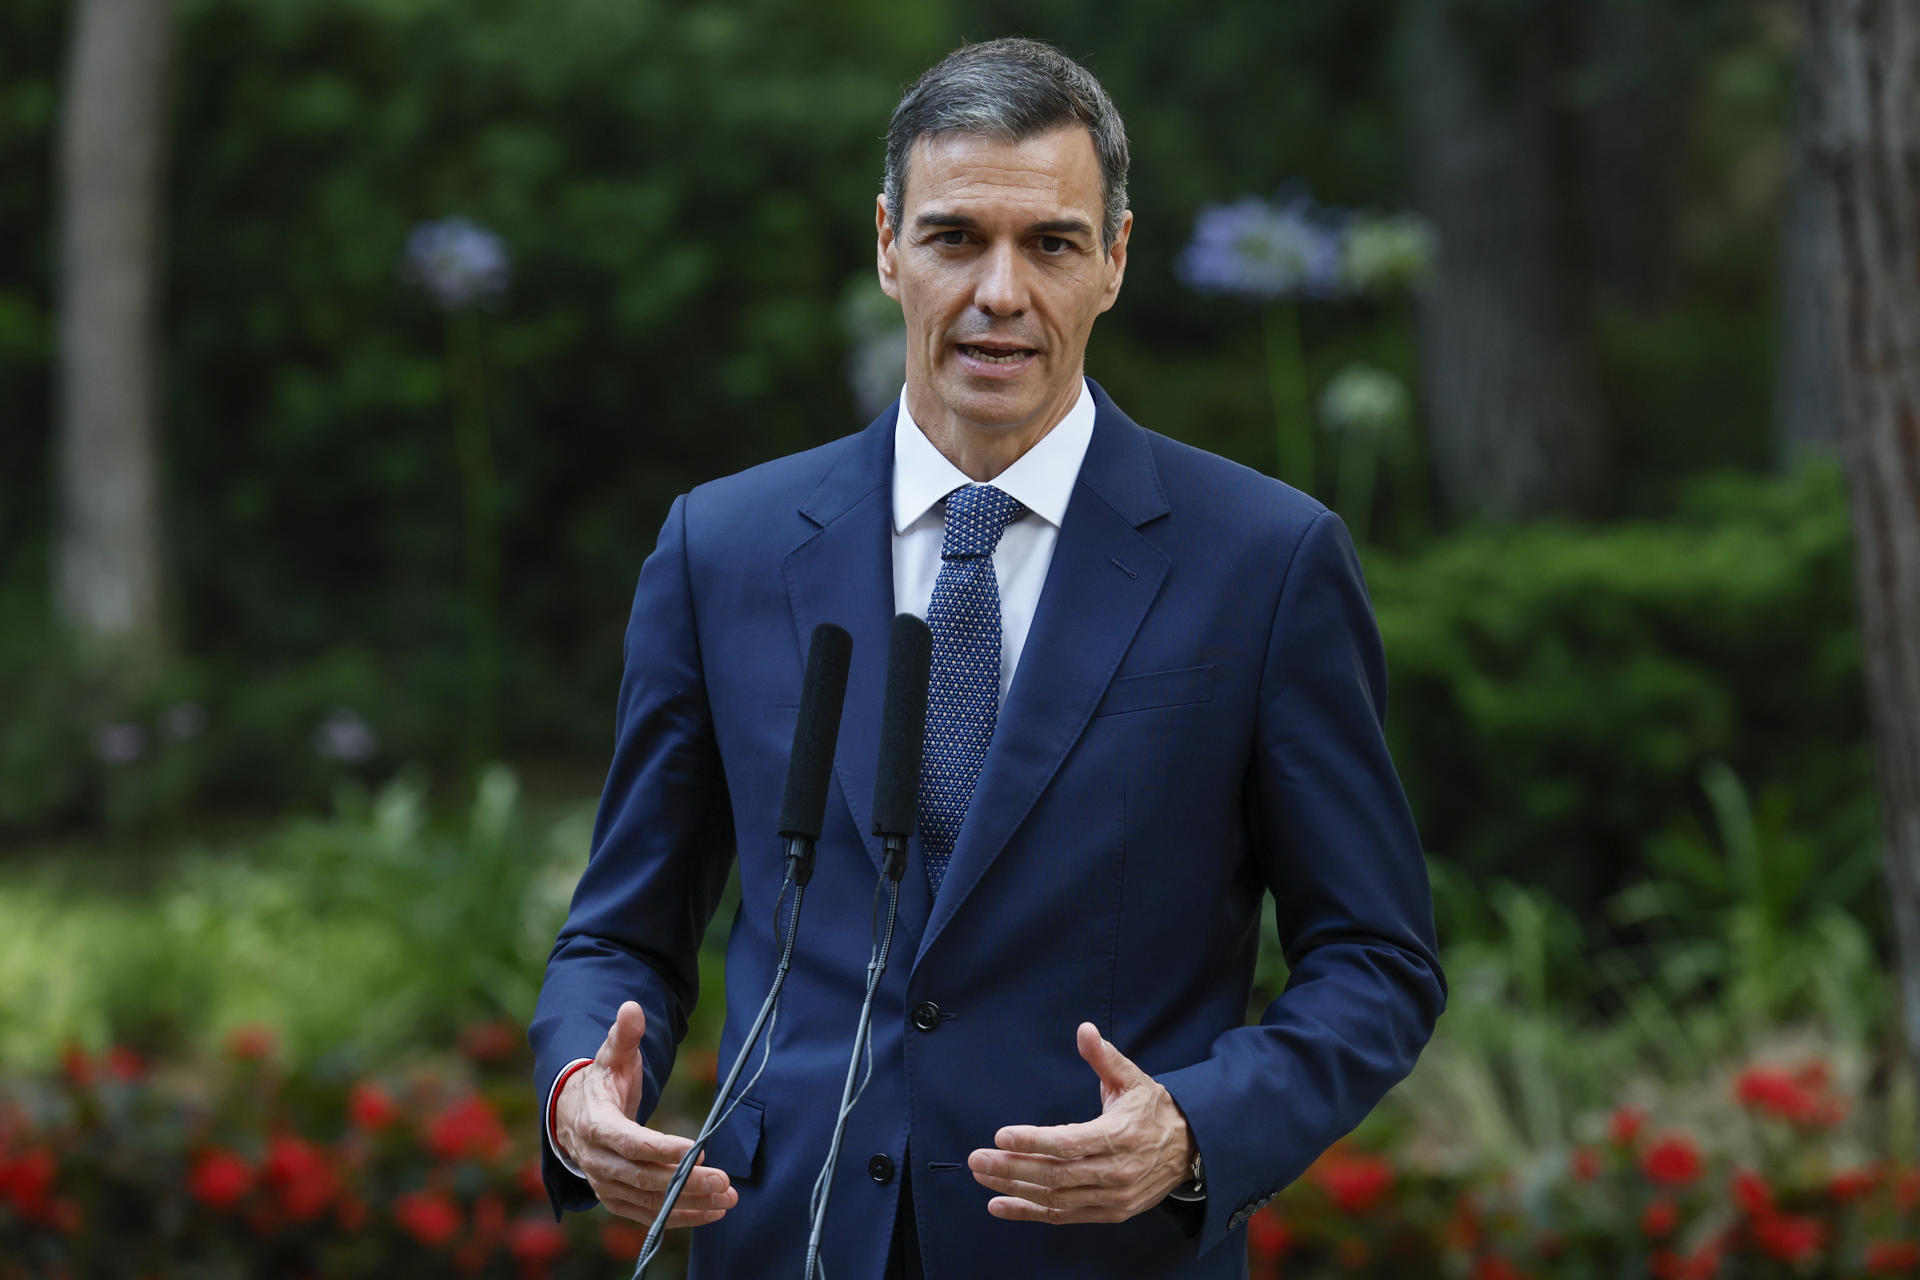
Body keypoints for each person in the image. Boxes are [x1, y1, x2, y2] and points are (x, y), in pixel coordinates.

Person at [528, 36, 1445, 1280]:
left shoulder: (1266, 562)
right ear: (887, 245)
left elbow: (1376, 960)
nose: (1000, 291)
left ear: (1114, 260)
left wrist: (1191, 1128)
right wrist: (583, 1080)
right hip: (782, 1241)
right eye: (958, 237)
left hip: (1099, 1254)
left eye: (1051, 244)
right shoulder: (722, 546)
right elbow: (621, 930)